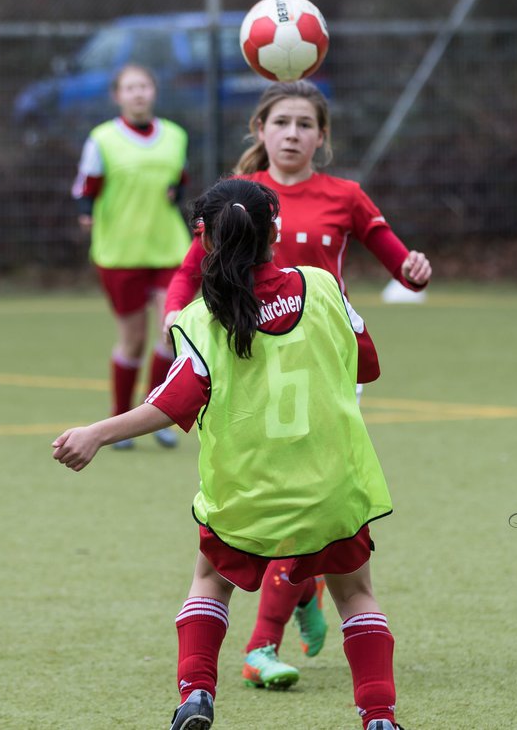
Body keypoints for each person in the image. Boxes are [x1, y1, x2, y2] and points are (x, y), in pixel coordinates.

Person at [52, 178, 405, 730]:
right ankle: (379, 718)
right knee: (357, 595)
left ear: (205, 241)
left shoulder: (199, 320)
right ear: (278, 230)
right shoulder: (323, 287)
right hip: (334, 491)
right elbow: (368, 366)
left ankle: (196, 695)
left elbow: (171, 405)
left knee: (210, 582)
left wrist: (97, 432)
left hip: (247, 496)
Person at [161, 81, 431, 690]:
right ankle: (281, 621)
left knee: (306, 503)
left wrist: (413, 268)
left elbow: (400, 264)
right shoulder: (240, 200)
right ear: (259, 129)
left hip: (319, 361)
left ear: (321, 137)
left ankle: (264, 639)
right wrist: (177, 319)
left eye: (304, 124)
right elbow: (189, 272)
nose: (291, 134)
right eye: (280, 122)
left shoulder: (344, 195)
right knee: (295, 506)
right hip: (251, 363)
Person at [71, 63, 190, 449]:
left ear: (154, 92)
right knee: (133, 341)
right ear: (117, 96)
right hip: (120, 253)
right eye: (130, 88)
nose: (138, 93)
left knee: (170, 332)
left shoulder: (176, 136)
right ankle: (120, 417)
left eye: (144, 86)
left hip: (169, 248)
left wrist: (176, 194)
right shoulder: (103, 138)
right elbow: (87, 185)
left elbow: (180, 181)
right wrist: (86, 212)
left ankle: (155, 413)